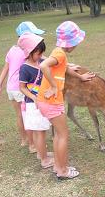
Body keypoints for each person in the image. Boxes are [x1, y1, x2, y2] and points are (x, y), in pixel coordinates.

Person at [37, 21, 95, 180]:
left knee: (58, 135)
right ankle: (62, 171)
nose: (77, 45)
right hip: (51, 101)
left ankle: (58, 165)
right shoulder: (60, 54)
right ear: (70, 44)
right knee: (63, 135)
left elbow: (64, 68)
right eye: (76, 42)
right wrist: (55, 87)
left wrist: (80, 77)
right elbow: (44, 66)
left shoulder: (58, 52)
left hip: (45, 100)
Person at [0, 21, 45, 152]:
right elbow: (46, 59)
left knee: (19, 116)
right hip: (22, 88)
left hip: (11, 88)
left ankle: (24, 140)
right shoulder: (27, 51)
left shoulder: (11, 50)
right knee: (28, 116)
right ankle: (32, 145)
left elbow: (6, 68)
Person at [18, 33, 54, 168]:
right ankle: (44, 160)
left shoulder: (40, 62)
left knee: (42, 131)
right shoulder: (25, 68)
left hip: (42, 102)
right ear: (30, 52)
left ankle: (42, 153)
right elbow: (21, 87)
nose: (40, 56)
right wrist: (34, 97)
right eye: (38, 53)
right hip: (34, 105)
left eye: (41, 53)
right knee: (39, 133)